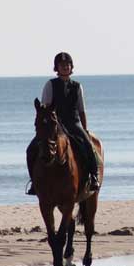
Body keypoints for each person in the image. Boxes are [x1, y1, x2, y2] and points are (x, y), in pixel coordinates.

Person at [26, 52, 99, 195]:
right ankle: (34, 182)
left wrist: (85, 129)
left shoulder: (77, 86)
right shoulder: (50, 85)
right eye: (62, 65)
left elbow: (81, 110)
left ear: (71, 67)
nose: (65, 67)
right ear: (57, 68)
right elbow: (45, 107)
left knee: (88, 145)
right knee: (31, 149)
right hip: (55, 125)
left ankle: (94, 176)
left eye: (67, 65)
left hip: (73, 122)